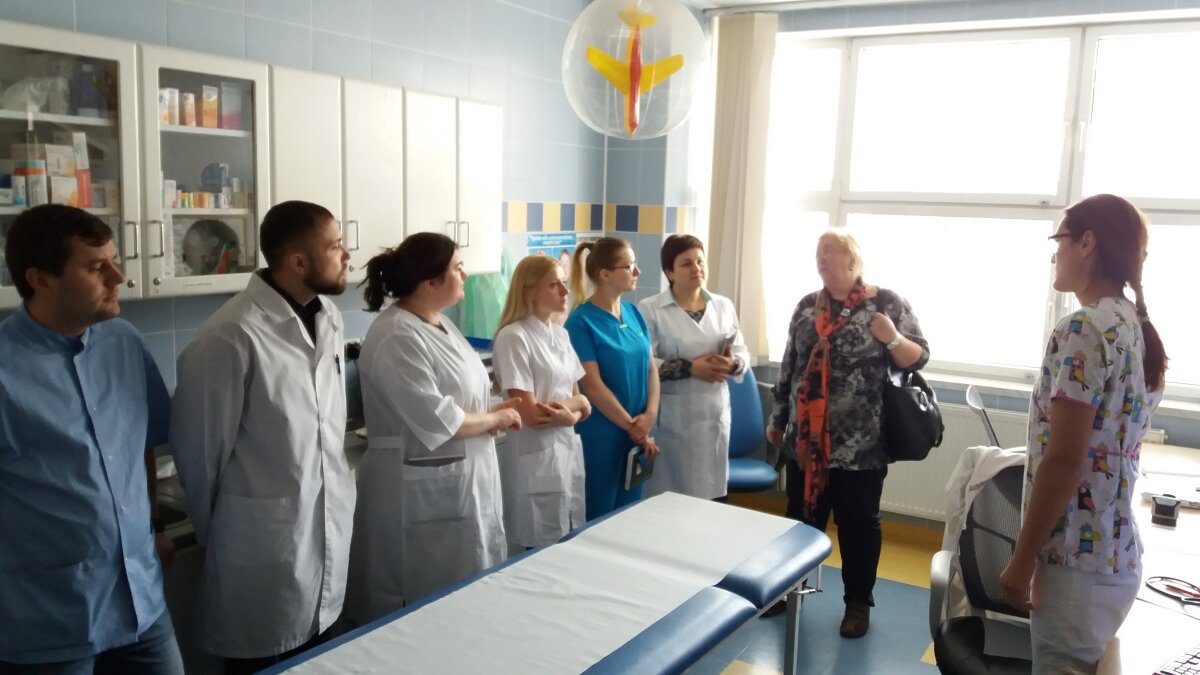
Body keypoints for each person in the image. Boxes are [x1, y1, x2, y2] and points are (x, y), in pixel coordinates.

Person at [169, 200, 356, 673]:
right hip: (260, 550)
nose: (347, 254)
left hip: (325, 539)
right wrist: (230, 534)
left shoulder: (328, 316)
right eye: (335, 245)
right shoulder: (230, 335)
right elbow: (198, 456)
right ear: (298, 262)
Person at [0, 204, 183, 674]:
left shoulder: (123, 341)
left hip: (141, 602)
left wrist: (156, 526)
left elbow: (141, 444)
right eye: (96, 267)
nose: (119, 277)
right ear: (40, 279)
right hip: (51, 620)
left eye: (115, 261)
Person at [1000, 194, 1166, 674]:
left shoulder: (1084, 329)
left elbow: (1065, 460)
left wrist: (1021, 560)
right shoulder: (1133, 325)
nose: (1054, 254)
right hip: (1115, 555)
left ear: (1087, 242)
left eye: (1060, 240)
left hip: (1075, 562)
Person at [345, 233, 522, 623]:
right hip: (418, 495)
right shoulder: (397, 334)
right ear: (430, 281)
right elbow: (438, 418)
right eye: (458, 268)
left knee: (466, 602)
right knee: (422, 611)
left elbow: (459, 399)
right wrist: (494, 419)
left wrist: (488, 414)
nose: (465, 275)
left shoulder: (439, 324)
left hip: (463, 483)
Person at [766, 230, 929, 637]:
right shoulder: (807, 306)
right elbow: (790, 365)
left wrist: (892, 337)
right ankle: (789, 590)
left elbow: (919, 357)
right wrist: (778, 418)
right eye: (817, 253)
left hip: (862, 445)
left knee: (858, 526)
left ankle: (857, 602)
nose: (821, 258)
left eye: (829, 252)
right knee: (801, 520)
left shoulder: (886, 303)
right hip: (807, 443)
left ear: (853, 260)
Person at [638, 235, 749, 501]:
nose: (696, 268)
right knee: (672, 500)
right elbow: (643, 364)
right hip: (673, 420)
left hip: (713, 414)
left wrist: (732, 364)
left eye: (700, 261)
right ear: (670, 272)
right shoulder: (650, 309)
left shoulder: (722, 306)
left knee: (712, 500)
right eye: (686, 264)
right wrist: (690, 368)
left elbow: (741, 351)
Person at [492, 255, 592, 548]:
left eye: (564, 282)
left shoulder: (560, 334)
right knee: (539, 549)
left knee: (570, 541)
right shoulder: (514, 337)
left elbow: (582, 402)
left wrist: (573, 413)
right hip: (535, 458)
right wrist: (577, 406)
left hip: (566, 449)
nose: (565, 291)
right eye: (554, 284)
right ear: (529, 291)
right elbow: (532, 415)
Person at [564, 237, 660, 520]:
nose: (637, 272)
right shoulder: (581, 322)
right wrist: (633, 426)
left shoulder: (633, 313)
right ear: (605, 274)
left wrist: (649, 416)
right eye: (629, 266)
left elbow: (651, 369)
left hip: (636, 436)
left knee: (629, 516)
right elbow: (592, 386)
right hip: (602, 436)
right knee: (599, 517)